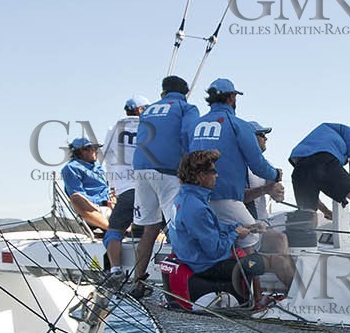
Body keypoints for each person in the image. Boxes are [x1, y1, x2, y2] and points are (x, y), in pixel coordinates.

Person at [170, 148, 295, 299]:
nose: (217, 175)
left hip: (196, 261)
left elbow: (212, 230)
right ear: (201, 176)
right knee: (279, 262)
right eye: (212, 171)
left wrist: (246, 228)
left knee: (271, 258)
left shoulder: (184, 198)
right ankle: (300, 304)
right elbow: (215, 250)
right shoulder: (197, 208)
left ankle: (267, 298)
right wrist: (236, 234)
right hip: (211, 267)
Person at [189, 78, 286, 256]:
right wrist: (276, 175)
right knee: (251, 240)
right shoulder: (238, 125)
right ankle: (248, 283)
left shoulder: (193, 125)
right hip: (224, 196)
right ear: (232, 97)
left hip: (194, 199)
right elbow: (258, 166)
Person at [131, 75, 200, 294]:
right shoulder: (186, 108)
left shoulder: (148, 110)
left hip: (141, 169)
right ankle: (181, 286)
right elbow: (188, 134)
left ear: (163, 92)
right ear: (185, 93)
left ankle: (138, 282)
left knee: (149, 228)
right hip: (168, 171)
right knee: (176, 227)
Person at [100, 96, 146, 271]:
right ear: (141, 110)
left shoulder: (115, 128)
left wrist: (112, 183)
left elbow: (104, 155)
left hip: (125, 189)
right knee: (154, 230)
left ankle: (116, 269)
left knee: (114, 231)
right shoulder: (149, 128)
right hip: (148, 187)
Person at [60, 137, 113, 231]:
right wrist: (99, 204)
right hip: (94, 210)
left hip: (111, 207)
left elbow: (107, 187)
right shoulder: (71, 168)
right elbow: (78, 195)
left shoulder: (97, 167)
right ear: (83, 150)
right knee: (76, 198)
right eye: (94, 149)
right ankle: (113, 228)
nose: (97, 152)